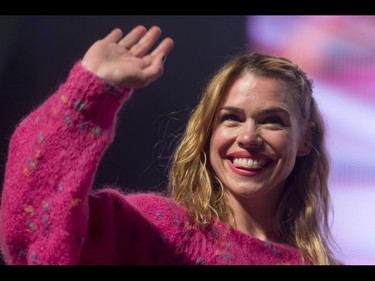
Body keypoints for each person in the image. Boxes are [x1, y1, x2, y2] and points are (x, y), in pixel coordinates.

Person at [0, 25, 338, 265]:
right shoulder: (159, 233)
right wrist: (86, 95)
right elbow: (32, 238)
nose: (248, 137)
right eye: (231, 118)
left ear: (305, 139)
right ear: (208, 132)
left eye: (271, 120)